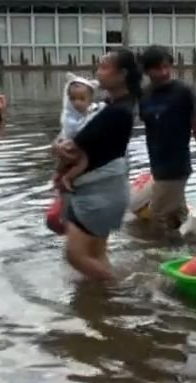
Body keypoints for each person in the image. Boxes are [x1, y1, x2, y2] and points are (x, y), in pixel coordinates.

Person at [54, 48, 141, 280]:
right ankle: (101, 307)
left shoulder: (116, 112)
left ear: (121, 74)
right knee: (96, 252)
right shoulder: (115, 105)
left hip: (99, 193)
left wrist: (58, 149)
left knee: (75, 255)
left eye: (104, 68)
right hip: (108, 190)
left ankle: (121, 290)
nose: (98, 73)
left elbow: (72, 149)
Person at [139, 45, 196, 231]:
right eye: (158, 68)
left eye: (167, 67)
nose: (164, 72)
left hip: (176, 167)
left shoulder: (183, 92)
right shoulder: (145, 96)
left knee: (157, 217)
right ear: (147, 71)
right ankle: (190, 246)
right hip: (157, 165)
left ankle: (154, 257)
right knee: (176, 216)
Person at [54, 73, 102, 192]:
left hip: (74, 144)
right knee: (83, 161)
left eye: (81, 99)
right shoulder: (69, 115)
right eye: (73, 99)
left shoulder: (91, 110)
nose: (77, 103)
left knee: (67, 160)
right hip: (70, 144)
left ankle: (59, 175)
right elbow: (75, 130)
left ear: (89, 100)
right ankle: (66, 177)